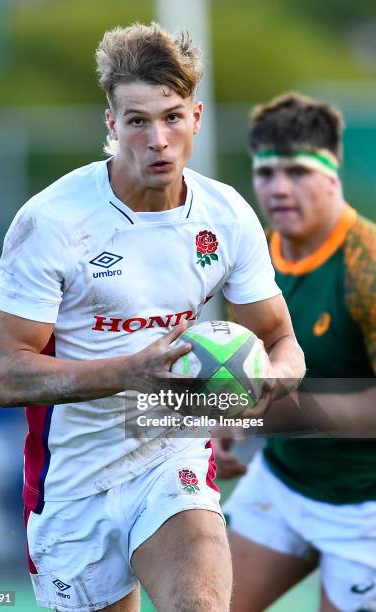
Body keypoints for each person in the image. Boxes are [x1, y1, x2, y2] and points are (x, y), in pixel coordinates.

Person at [0, 24, 305, 612]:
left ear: (197, 117)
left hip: (170, 458)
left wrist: (261, 389)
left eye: (172, 116)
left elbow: (280, 338)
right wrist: (130, 371)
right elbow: (6, 375)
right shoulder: (52, 223)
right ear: (111, 125)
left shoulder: (227, 216)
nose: (158, 139)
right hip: (72, 485)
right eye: (137, 120)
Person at [219, 92, 376, 612]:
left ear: (332, 174)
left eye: (297, 171)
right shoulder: (252, 259)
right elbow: (240, 371)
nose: (278, 188)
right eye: (265, 173)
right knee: (197, 601)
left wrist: (277, 412)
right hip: (283, 484)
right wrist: (224, 424)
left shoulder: (367, 266)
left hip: (364, 507)